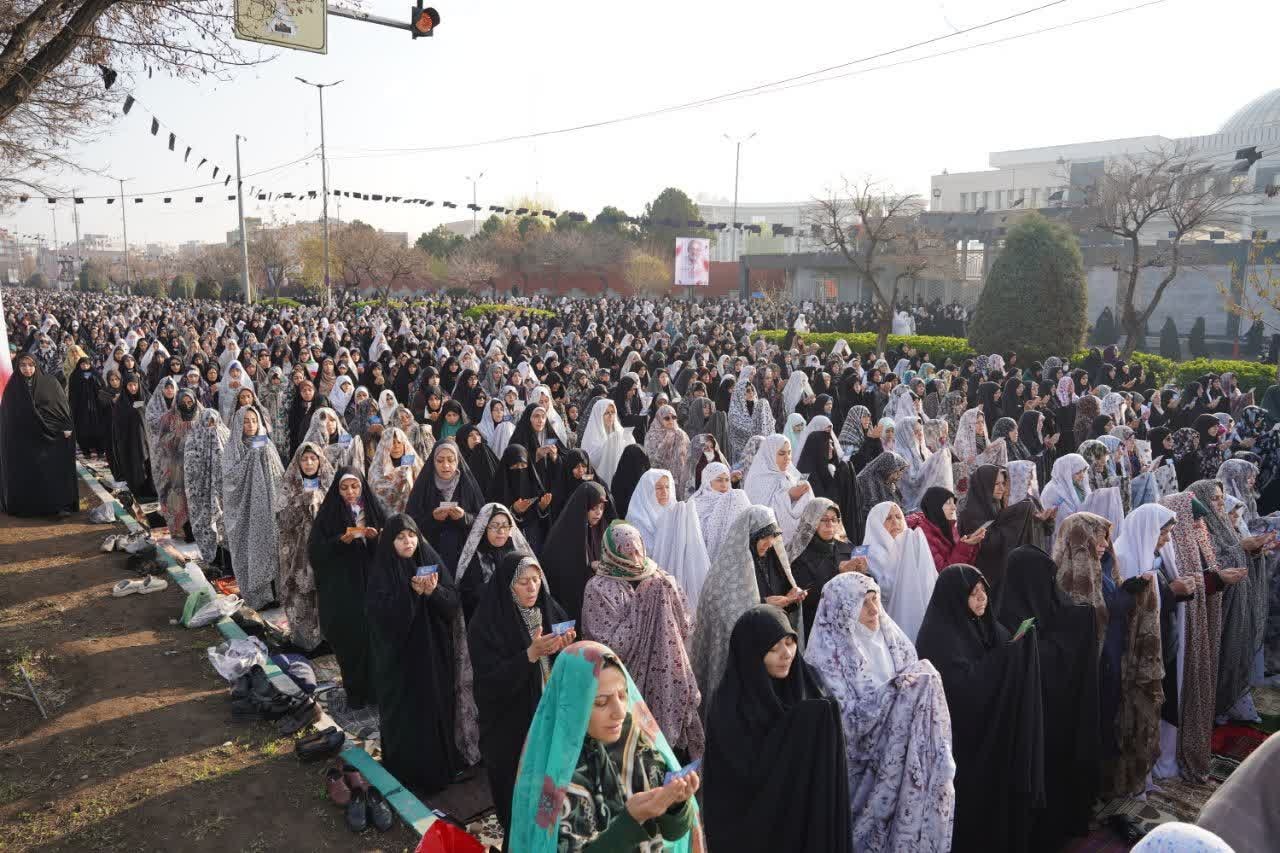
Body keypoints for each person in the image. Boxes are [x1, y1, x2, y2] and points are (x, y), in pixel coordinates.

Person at [804, 572, 955, 852]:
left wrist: (910, 689)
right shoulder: (824, 659)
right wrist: (896, 693)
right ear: (842, 609)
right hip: (857, 776)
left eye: (876, 600)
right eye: (863, 603)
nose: (874, 610)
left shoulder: (895, 642)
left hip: (904, 761)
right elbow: (842, 722)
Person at [508, 642, 702, 852]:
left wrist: (676, 804)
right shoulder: (551, 774)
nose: (619, 712)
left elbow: (673, 833)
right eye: (601, 702)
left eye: (622, 695)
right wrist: (630, 821)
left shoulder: (637, 744)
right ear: (572, 705)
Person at [915, 564, 1044, 853]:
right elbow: (962, 688)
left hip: (989, 735)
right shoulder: (939, 636)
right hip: (961, 743)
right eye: (972, 593)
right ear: (955, 597)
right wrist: (1006, 658)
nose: (982, 597)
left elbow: (1003, 648)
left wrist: (1017, 646)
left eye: (983, 590)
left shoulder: (984, 624)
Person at [703, 605, 852, 853]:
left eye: (790, 643)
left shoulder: (807, 686)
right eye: (773, 648)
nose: (787, 654)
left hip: (802, 825)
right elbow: (738, 786)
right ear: (750, 654)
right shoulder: (730, 708)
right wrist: (800, 725)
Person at [467, 552, 574, 844]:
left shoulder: (549, 609)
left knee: (549, 794)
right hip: (510, 727)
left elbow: (565, 661)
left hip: (548, 718)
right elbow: (489, 683)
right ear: (507, 586)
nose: (532, 588)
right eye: (523, 582)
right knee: (516, 796)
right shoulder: (486, 624)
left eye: (536, 580)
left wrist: (565, 646)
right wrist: (530, 654)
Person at [366, 513, 477, 793]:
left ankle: (441, 770)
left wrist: (433, 592)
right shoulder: (383, 572)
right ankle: (409, 774)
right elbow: (383, 620)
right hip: (401, 663)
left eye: (412, 535)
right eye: (400, 537)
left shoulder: (429, 560)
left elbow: (452, 604)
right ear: (390, 542)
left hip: (433, 655)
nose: (408, 542)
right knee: (408, 717)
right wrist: (412, 595)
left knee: (437, 708)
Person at [999, 545, 1100, 846]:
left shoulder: (1048, 603)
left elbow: (1063, 620)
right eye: (1046, 581)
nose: (1052, 588)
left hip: (1056, 726)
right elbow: (1028, 659)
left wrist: (1083, 622)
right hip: (1029, 728)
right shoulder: (1004, 619)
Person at [581, 522, 705, 756]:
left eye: (637, 550)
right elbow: (607, 645)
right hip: (625, 683)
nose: (635, 559)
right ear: (612, 552)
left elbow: (685, 623)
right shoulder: (599, 588)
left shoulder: (661, 578)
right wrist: (643, 604)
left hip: (668, 674)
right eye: (627, 552)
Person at [692, 505, 806, 700]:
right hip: (745, 654)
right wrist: (763, 604)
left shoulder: (772, 561)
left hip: (772, 652)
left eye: (773, 536)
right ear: (749, 537)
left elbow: (781, 594)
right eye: (763, 537)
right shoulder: (727, 570)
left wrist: (791, 598)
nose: (769, 543)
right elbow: (722, 611)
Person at [308, 469, 384, 710]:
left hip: (372, 588)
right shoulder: (329, 514)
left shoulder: (373, 510)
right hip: (343, 591)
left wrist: (375, 538)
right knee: (351, 643)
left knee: (374, 641)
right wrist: (339, 541)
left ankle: (376, 692)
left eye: (355, 487)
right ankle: (355, 693)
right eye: (344, 488)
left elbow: (391, 547)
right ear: (337, 490)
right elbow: (315, 552)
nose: (350, 492)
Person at [221, 406, 284, 608]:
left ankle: (276, 595)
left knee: (271, 548)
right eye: (246, 421)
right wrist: (251, 458)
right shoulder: (233, 448)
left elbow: (278, 475)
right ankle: (258, 598)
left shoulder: (266, 444)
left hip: (268, 509)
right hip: (245, 513)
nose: (250, 425)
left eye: (254, 421)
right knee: (249, 552)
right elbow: (229, 480)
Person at [0, 353, 77, 517]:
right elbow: (7, 416)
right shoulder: (13, 387)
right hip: (24, 439)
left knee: (51, 472)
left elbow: (62, 409)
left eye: (30, 365)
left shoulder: (50, 383)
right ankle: (29, 508)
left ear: (36, 365)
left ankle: (56, 506)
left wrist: (64, 427)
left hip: (49, 437)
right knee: (28, 473)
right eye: (23, 365)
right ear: (18, 367)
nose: (27, 369)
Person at [624, 469, 712, 611]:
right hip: (648, 587)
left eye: (667, 487)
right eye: (658, 488)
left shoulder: (677, 514)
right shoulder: (637, 519)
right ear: (647, 491)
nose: (664, 492)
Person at [274, 442, 334, 651]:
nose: (309, 463)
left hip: (324, 551)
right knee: (300, 594)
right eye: (304, 459)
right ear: (298, 462)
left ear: (320, 461)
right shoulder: (289, 485)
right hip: (296, 553)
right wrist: (302, 500)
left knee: (325, 593)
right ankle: (304, 641)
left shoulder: (329, 484)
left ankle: (326, 639)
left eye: (313, 458)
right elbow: (282, 520)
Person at [861, 500, 938, 642]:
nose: (895, 522)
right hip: (881, 626)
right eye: (888, 518)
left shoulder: (914, 546)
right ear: (876, 523)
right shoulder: (862, 554)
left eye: (898, 517)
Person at [405, 440, 486, 573]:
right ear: (433, 462)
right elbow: (410, 522)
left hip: (466, 556)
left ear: (457, 461)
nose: (446, 465)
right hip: (430, 553)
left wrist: (464, 517)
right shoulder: (423, 486)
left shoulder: (468, 485)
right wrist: (432, 518)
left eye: (451, 460)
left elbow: (484, 519)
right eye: (440, 460)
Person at [542, 481, 615, 623]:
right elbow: (561, 572)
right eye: (593, 508)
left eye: (601, 508)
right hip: (571, 601)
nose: (598, 513)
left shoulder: (602, 529)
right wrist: (589, 566)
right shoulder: (564, 533)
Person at [787, 498, 861, 636]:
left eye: (834, 519)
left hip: (849, 623)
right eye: (824, 519)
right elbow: (805, 596)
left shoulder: (848, 549)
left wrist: (863, 574)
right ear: (811, 521)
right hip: (817, 625)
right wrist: (838, 573)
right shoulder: (798, 554)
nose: (830, 524)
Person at [455, 503, 531, 621]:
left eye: (505, 526)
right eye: (495, 526)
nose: (501, 531)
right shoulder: (472, 557)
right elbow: (468, 597)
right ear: (484, 528)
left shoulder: (516, 554)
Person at [906, 486, 984, 571]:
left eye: (953, 503)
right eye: (948, 503)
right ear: (936, 506)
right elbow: (944, 572)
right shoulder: (923, 535)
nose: (954, 507)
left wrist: (970, 543)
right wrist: (965, 546)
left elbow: (963, 567)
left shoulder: (948, 526)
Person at [688, 461, 750, 563]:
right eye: (719, 480)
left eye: (727, 480)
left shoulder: (733, 499)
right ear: (708, 481)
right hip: (706, 557)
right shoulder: (697, 502)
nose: (724, 485)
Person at [580, 398, 634, 488]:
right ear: (599, 415)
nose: (610, 416)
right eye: (606, 413)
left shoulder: (619, 432)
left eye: (613, 412)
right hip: (597, 482)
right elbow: (590, 462)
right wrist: (610, 444)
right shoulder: (591, 436)